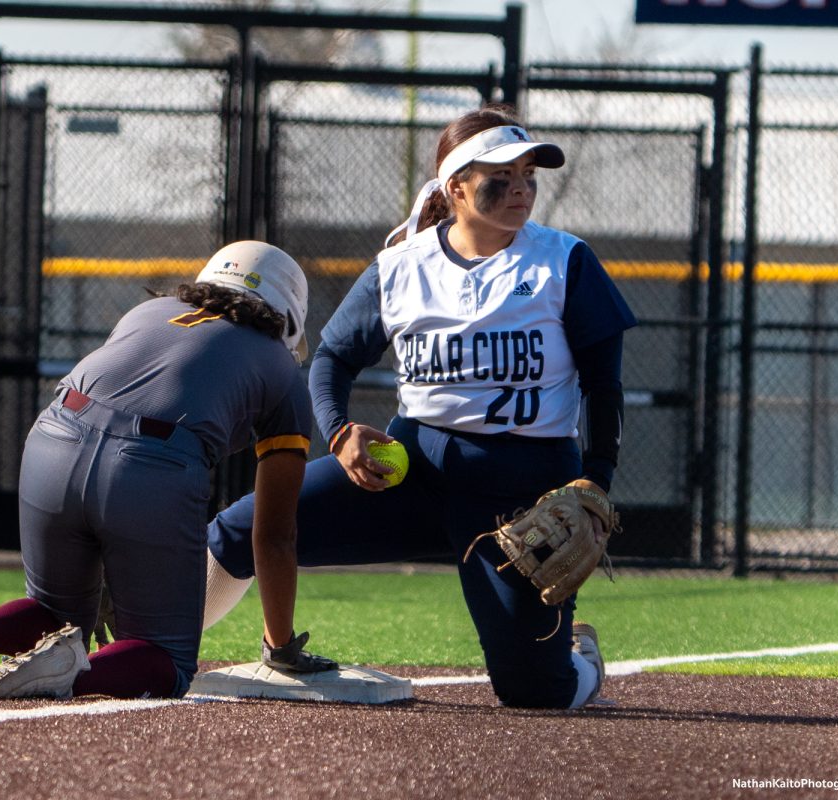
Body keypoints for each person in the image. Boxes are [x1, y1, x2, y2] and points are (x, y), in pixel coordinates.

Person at [202, 105, 636, 709]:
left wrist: (597, 482)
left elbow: (604, 387)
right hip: (409, 471)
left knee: (536, 692)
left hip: (517, 493)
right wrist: (340, 433)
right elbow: (330, 360)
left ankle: (581, 662)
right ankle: (162, 651)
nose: (521, 188)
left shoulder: (564, 262)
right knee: (239, 530)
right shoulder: (403, 264)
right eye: (501, 176)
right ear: (455, 186)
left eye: (529, 175)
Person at [0, 241, 337, 701]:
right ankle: (72, 672)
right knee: (166, 658)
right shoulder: (280, 367)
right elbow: (273, 535)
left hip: (53, 437)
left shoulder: (147, 312)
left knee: (54, 611)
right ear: (288, 312)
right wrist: (280, 645)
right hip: (152, 465)